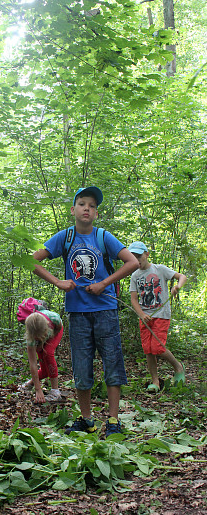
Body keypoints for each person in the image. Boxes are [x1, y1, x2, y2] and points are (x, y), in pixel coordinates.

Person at [32, 186, 138, 437]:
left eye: (91, 205)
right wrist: (58, 282)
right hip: (77, 313)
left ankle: (113, 420)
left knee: (112, 363)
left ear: (96, 213)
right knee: (81, 366)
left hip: (106, 311)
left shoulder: (103, 237)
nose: (86, 208)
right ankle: (86, 419)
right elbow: (33, 260)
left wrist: (104, 283)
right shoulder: (64, 238)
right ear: (73, 210)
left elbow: (132, 262)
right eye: (82, 204)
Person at [128, 241, 186, 392]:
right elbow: (134, 299)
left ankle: (178, 367)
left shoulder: (159, 269)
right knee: (148, 350)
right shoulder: (134, 276)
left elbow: (182, 277)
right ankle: (155, 381)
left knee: (158, 347)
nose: (137, 260)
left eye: (139, 256)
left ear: (146, 255)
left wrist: (177, 286)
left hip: (161, 314)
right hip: (145, 317)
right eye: (133, 257)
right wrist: (141, 314)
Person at [19, 307, 64, 403]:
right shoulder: (30, 339)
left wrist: (48, 340)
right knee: (44, 370)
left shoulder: (54, 318)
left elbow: (59, 326)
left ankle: (55, 391)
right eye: (37, 338)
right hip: (43, 333)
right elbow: (33, 364)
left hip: (55, 331)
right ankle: (31, 383)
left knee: (47, 352)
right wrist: (38, 389)